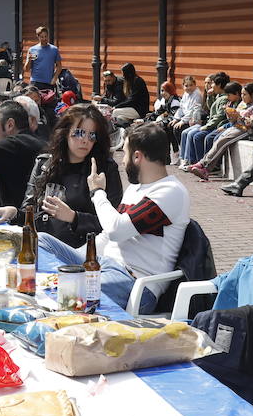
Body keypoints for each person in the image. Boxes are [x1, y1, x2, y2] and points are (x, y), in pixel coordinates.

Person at [38, 122, 189, 313]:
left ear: (137, 156)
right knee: (41, 242)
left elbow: (117, 230)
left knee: (66, 292)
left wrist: (98, 192)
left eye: (124, 153)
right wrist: (74, 259)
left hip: (133, 281)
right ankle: (60, 282)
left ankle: (63, 288)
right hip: (103, 265)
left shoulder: (170, 192)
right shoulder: (136, 188)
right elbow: (108, 237)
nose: (123, 161)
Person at [0, 103, 124, 248]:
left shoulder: (104, 170)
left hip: (84, 252)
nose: (85, 140)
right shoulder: (45, 163)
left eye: (92, 135)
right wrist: (14, 212)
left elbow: (114, 224)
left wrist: (74, 217)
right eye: (79, 133)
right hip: (43, 245)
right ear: (65, 133)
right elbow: (29, 212)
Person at [184, 83, 253, 180]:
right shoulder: (242, 104)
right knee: (218, 140)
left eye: (245, 94)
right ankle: (203, 166)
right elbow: (233, 120)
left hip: (245, 130)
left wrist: (239, 116)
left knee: (222, 141)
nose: (242, 97)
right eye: (242, 94)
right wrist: (230, 114)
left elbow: (251, 123)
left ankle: (204, 166)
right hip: (235, 127)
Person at [180, 79, 238, 167]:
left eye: (211, 83)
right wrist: (209, 97)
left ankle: (206, 164)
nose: (209, 85)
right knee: (188, 133)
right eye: (206, 83)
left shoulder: (225, 99)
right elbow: (210, 109)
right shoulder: (218, 97)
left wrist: (206, 126)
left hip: (219, 126)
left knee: (201, 136)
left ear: (219, 85)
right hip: (211, 124)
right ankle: (191, 161)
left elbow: (219, 117)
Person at [169, 75, 205, 163]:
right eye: (186, 85)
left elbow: (193, 111)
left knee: (178, 129)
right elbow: (181, 108)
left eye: (191, 85)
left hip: (194, 120)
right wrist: (176, 118)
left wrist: (182, 121)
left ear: (195, 85)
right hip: (185, 118)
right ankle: (177, 152)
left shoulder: (197, 95)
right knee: (171, 126)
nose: (188, 88)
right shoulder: (185, 94)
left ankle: (185, 154)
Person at [24, 25, 61, 90]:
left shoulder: (54, 49)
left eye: (46, 36)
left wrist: (55, 78)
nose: (44, 39)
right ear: (38, 37)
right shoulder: (32, 50)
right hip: (35, 82)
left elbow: (59, 66)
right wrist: (29, 60)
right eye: (42, 37)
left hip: (49, 82)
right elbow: (26, 69)